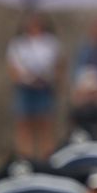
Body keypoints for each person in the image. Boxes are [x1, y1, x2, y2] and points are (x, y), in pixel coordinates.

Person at [6, 11, 59, 161]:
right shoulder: (17, 44)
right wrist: (25, 78)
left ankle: (47, 159)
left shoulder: (50, 42)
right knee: (24, 125)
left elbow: (57, 65)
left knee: (45, 125)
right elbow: (12, 68)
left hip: (44, 88)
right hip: (25, 89)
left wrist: (47, 77)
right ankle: (24, 159)